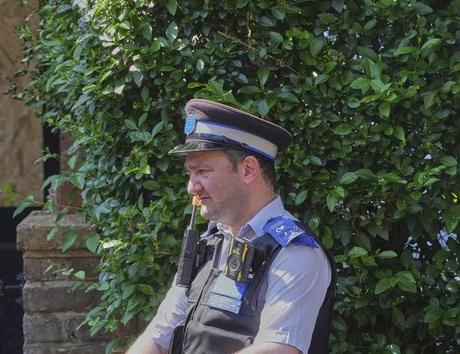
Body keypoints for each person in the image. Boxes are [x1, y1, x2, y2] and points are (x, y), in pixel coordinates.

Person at [128, 99, 336, 354]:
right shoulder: (209, 243)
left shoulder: (296, 254)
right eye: (189, 174)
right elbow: (160, 334)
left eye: (202, 171)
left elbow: (278, 349)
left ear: (248, 169)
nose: (191, 187)